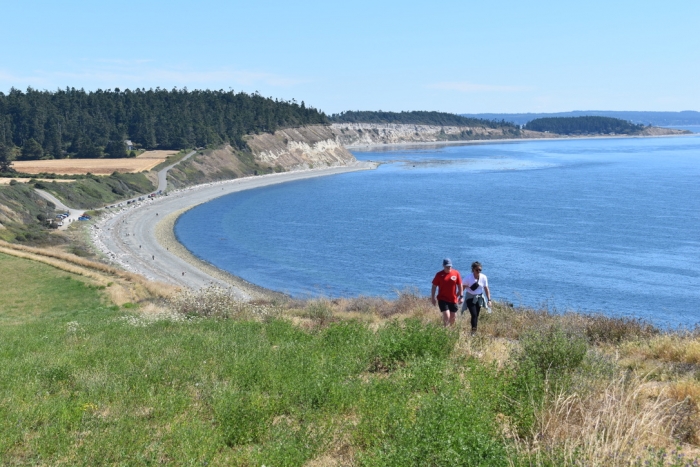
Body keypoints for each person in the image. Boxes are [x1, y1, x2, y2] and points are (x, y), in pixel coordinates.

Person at [431, 258, 463, 327]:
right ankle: (445, 332)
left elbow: (460, 285)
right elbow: (434, 286)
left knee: (453, 319)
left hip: (453, 299)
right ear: (443, 266)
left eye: (450, 266)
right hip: (442, 299)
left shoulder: (456, 273)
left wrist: (461, 296)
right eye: (447, 266)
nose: (448, 268)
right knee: (447, 316)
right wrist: (433, 298)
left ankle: (451, 333)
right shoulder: (439, 275)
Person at [462, 261, 492, 334]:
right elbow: (462, 288)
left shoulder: (484, 277)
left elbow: (486, 289)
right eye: (477, 270)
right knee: (474, 314)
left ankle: (473, 330)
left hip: (479, 298)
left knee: (476, 315)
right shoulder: (468, 278)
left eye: (480, 270)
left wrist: (489, 300)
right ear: (473, 269)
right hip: (470, 298)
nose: (478, 271)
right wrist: (459, 296)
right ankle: (473, 332)